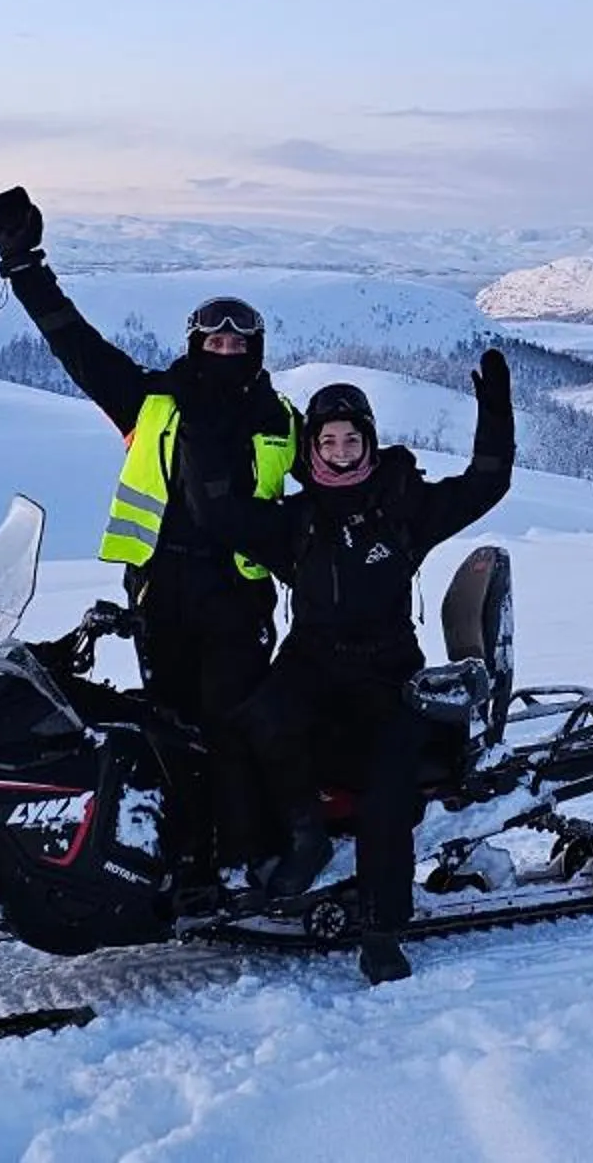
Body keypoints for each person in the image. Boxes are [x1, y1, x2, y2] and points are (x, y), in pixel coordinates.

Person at [0, 186, 302, 909]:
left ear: (253, 351)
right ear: (197, 345)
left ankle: (240, 861)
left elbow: (332, 480)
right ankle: (182, 857)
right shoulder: (150, 401)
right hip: (161, 598)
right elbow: (77, 345)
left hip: (236, 600)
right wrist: (26, 268)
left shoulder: (281, 417)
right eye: (214, 342)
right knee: (165, 731)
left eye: (237, 344)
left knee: (229, 729)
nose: (225, 352)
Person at [183, 351, 515, 984]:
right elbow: (219, 513)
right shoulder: (297, 518)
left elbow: (484, 484)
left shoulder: (403, 503)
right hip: (310, 662)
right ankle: (302, 835)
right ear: (314, 447)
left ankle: (383, 929)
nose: (339, 449)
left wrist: (495, 414)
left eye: (350, 437)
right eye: (327, 439)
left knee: (386, 792)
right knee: (251, 722)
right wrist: (201, 429)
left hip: (387, 674)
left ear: (368, 440)